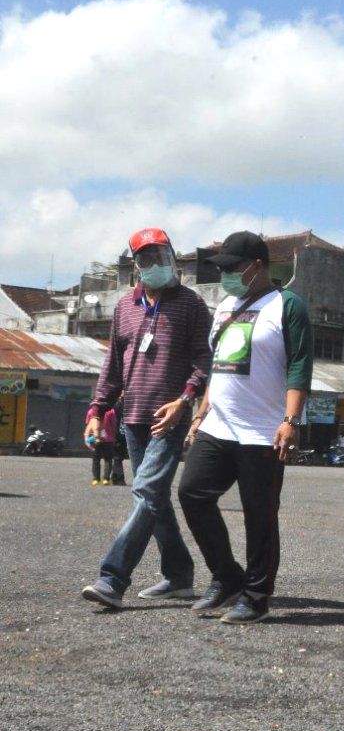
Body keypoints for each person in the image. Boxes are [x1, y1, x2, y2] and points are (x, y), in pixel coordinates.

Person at [177, 231, 314, 624]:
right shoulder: (225, 307)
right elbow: (218, 368)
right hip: (218, 426)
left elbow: (300, 367)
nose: (227, 276)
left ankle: (256, 596)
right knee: (192, 494)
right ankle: (227, 577)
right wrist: (201, 414)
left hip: (262, 432)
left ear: (258, 266)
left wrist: (291, 421)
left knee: (260, 514)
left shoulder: (287, 306)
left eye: (233, 269)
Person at [81, 227, 212, 609]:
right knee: (155, 499)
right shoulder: (124, 306)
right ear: (136, 265)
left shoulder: (191, 304)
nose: (155, 264)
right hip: (132, 417)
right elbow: (113, 366)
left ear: (173, 255)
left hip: (168, 419)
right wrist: (97, 410)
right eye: (146, 258)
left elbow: (205, 361)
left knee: (145, 494)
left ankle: (112, 579)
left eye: (161, 255)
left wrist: (185, 401)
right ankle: (179, 576)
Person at [89, 406, 119, 486]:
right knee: (108, 459)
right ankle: (106, 479)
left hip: (96, 439)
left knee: (96, 459)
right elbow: (114, 425)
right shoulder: (111, 412)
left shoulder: (92, 411)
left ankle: (96, 479)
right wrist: (114, 437)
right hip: (108, 439)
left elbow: (89, 424)